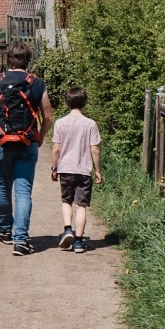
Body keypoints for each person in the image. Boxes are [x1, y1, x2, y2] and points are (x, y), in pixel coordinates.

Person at [0, 41, 54, 256]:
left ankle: (4, 229)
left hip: (1, 143)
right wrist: (39, 137)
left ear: (7, 59)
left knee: (3, 187)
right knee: (23, 192)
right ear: (28, 60)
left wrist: (0, 125)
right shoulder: (37, 83)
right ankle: (20, 240)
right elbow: (48, 117)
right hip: (27, 142)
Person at [49, 85, 102, 254]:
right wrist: (98, 170)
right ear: (85, 103)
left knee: (66, 201)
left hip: (65, 168)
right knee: (81, 206)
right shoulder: (90, 124)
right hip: (84, 170)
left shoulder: (60, 123)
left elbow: (56, 149)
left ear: (66, 102)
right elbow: (95, 149)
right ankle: (79, 242)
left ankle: (67, 229)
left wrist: (54, 168)